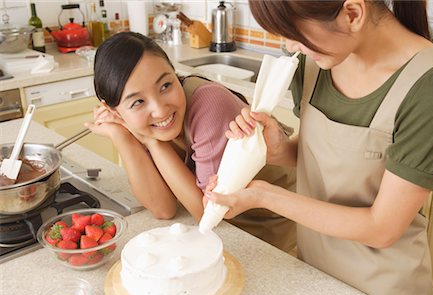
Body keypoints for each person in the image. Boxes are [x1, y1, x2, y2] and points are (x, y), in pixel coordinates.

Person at [203, 1, 433, 295]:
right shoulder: (315, 63)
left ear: (352, 14)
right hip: (315, 273)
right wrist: (275, 148)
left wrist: (265, 196)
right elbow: (318, 153)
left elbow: (382, 228)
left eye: (293, 32)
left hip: (381, 288)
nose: (288, 45)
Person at [84, 32, 297, 252]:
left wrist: (150, 140)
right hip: (227, 232)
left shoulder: (210, 106)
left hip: (272, 230)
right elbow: (163, 208)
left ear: (175, 73)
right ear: (113, 111)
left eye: (166, 85)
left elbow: (207, 212)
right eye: (138, 101)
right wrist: (122, 136)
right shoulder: (139, 124)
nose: (159, 109)